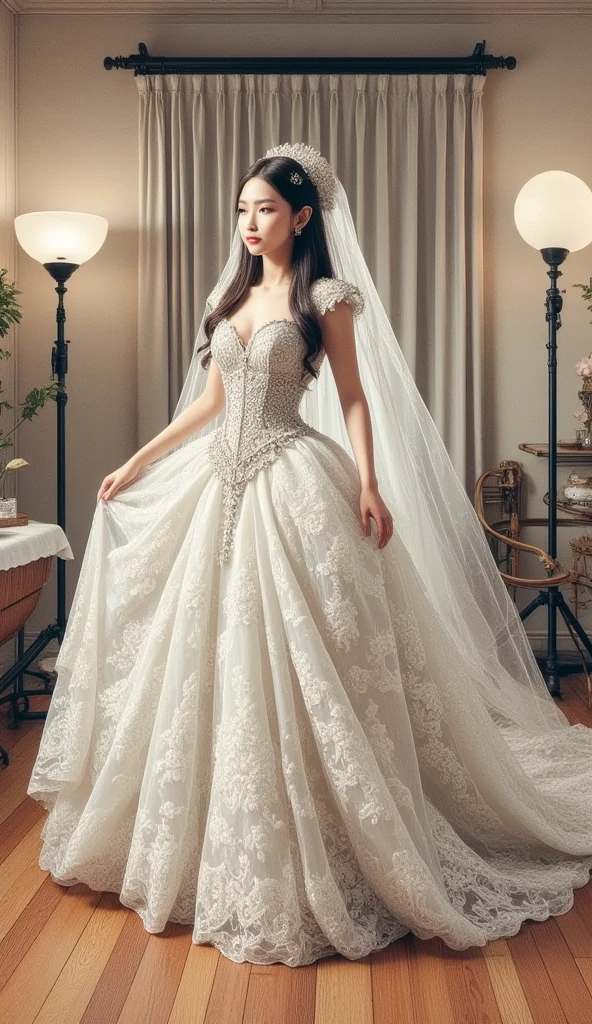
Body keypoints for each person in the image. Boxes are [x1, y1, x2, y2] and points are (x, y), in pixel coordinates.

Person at [27, 142, 592, 968]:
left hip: (294, 479)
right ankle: (207, 829)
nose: (250, 224)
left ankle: (328, 832)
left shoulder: (325, 295)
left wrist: (369, 483)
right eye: (241, 211)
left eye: (264, 209)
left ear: (301, 216)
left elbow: (355, 398)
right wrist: (139, 458)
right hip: (214, 482)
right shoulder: (229, 299)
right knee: (205, 654)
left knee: (308, 656)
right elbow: (213, 404)